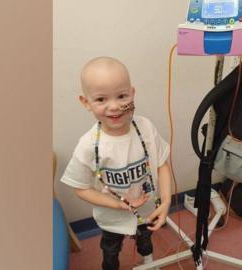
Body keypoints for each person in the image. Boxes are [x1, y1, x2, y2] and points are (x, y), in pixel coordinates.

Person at [60, 56, 172, 270]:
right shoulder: (88, 145)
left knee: (145, 239)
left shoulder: (146, 128)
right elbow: (81, 189)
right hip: (112, 218)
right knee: (110, 249)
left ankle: (147, 262)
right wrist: (116, 204)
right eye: (101, 99)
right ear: (86, 102)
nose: (114, 107)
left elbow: (162, 165)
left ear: (132, 93)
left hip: (148, 209)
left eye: (122, 96)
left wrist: (166, 201)